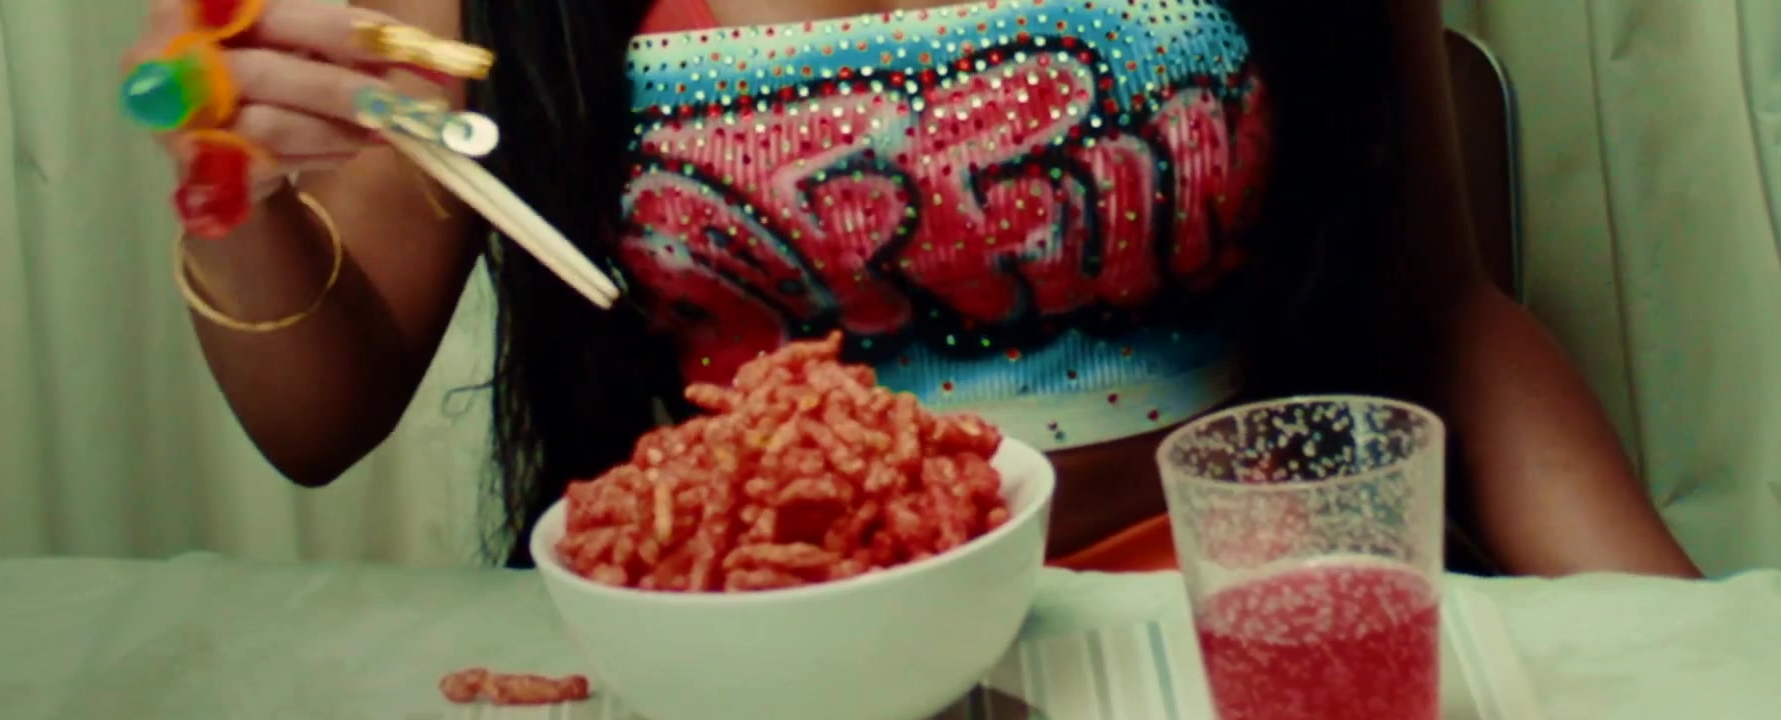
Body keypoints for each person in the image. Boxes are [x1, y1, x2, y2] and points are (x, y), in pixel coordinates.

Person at [125, 0, 1703, 578]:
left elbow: (1441, 313)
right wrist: (228, 182)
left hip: (1222, 635)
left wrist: (1687, 671)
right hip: (757, 684)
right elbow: (319, 417)